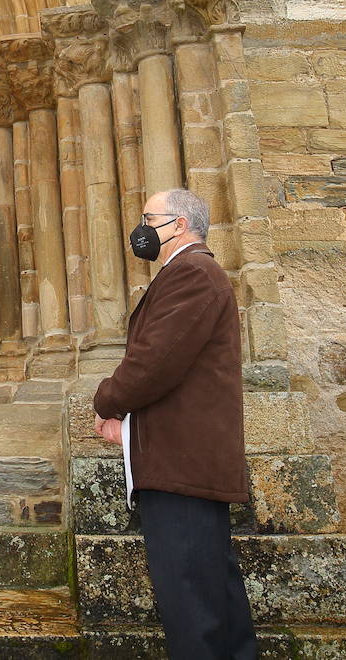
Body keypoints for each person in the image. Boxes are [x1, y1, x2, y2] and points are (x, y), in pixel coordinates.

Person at [93, 188, 256, 660]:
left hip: (183, 466)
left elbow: (155, 361)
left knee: (192, 602)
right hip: (185, 462)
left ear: (179, 225)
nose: (141, 228)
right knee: (210, 594)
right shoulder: (189, 272)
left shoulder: (192, 273)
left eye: (150, 217)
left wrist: (108, 400)